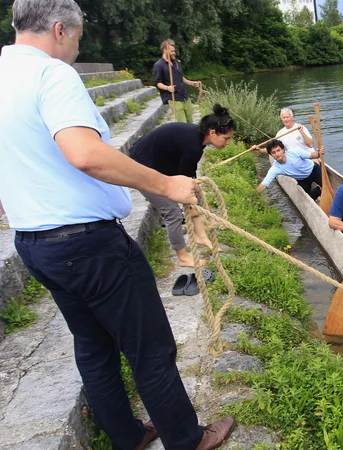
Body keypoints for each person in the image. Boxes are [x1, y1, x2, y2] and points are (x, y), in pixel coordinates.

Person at [0, 1, 235, 449]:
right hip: (88, 245)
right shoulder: (51, 74)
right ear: (60, 30)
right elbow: (84, 153)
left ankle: (128, 437)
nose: (75, 48)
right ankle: (189, 440)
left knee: (93, 346)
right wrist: (166, 185)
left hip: (35, 242)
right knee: (150, 348)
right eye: (78, 37)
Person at [130, 104, 236, 267]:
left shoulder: (196, 139)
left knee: (196, 192)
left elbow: (188, 174)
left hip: (158, 165)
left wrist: (194, 200)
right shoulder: (193, 146)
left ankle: (200, 236)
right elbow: (183, 179)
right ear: (213, 132)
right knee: (172, 212)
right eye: (226, 138)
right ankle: (182, 257)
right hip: (140, 168)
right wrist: (191, 203)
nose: (228, 143)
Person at [252, 139, 325, 200]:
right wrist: (253, 196)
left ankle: (322, 189)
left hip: (314, 170)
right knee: (307, 200)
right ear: (271, 155)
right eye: (273, 152)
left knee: (326, 188)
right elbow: (265, 183)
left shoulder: (293, 152)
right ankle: (318, 190)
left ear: (283, 150)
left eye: (278, 150)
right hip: (303, 179)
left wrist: (318, 153)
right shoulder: (275, 168)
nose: (277, 154)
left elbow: (312, 155)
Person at [153, 39, 200, 124]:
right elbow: (158, 83)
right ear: (165, 50)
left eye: (174, 51)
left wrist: (191, 83)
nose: (174, 53)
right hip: (174, 98)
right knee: (183, 123)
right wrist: (168, 87)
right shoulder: (158, 65)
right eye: (172, 51)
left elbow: (180, 77)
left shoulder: (176, 63)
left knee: (190, 122)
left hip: (184, 95)